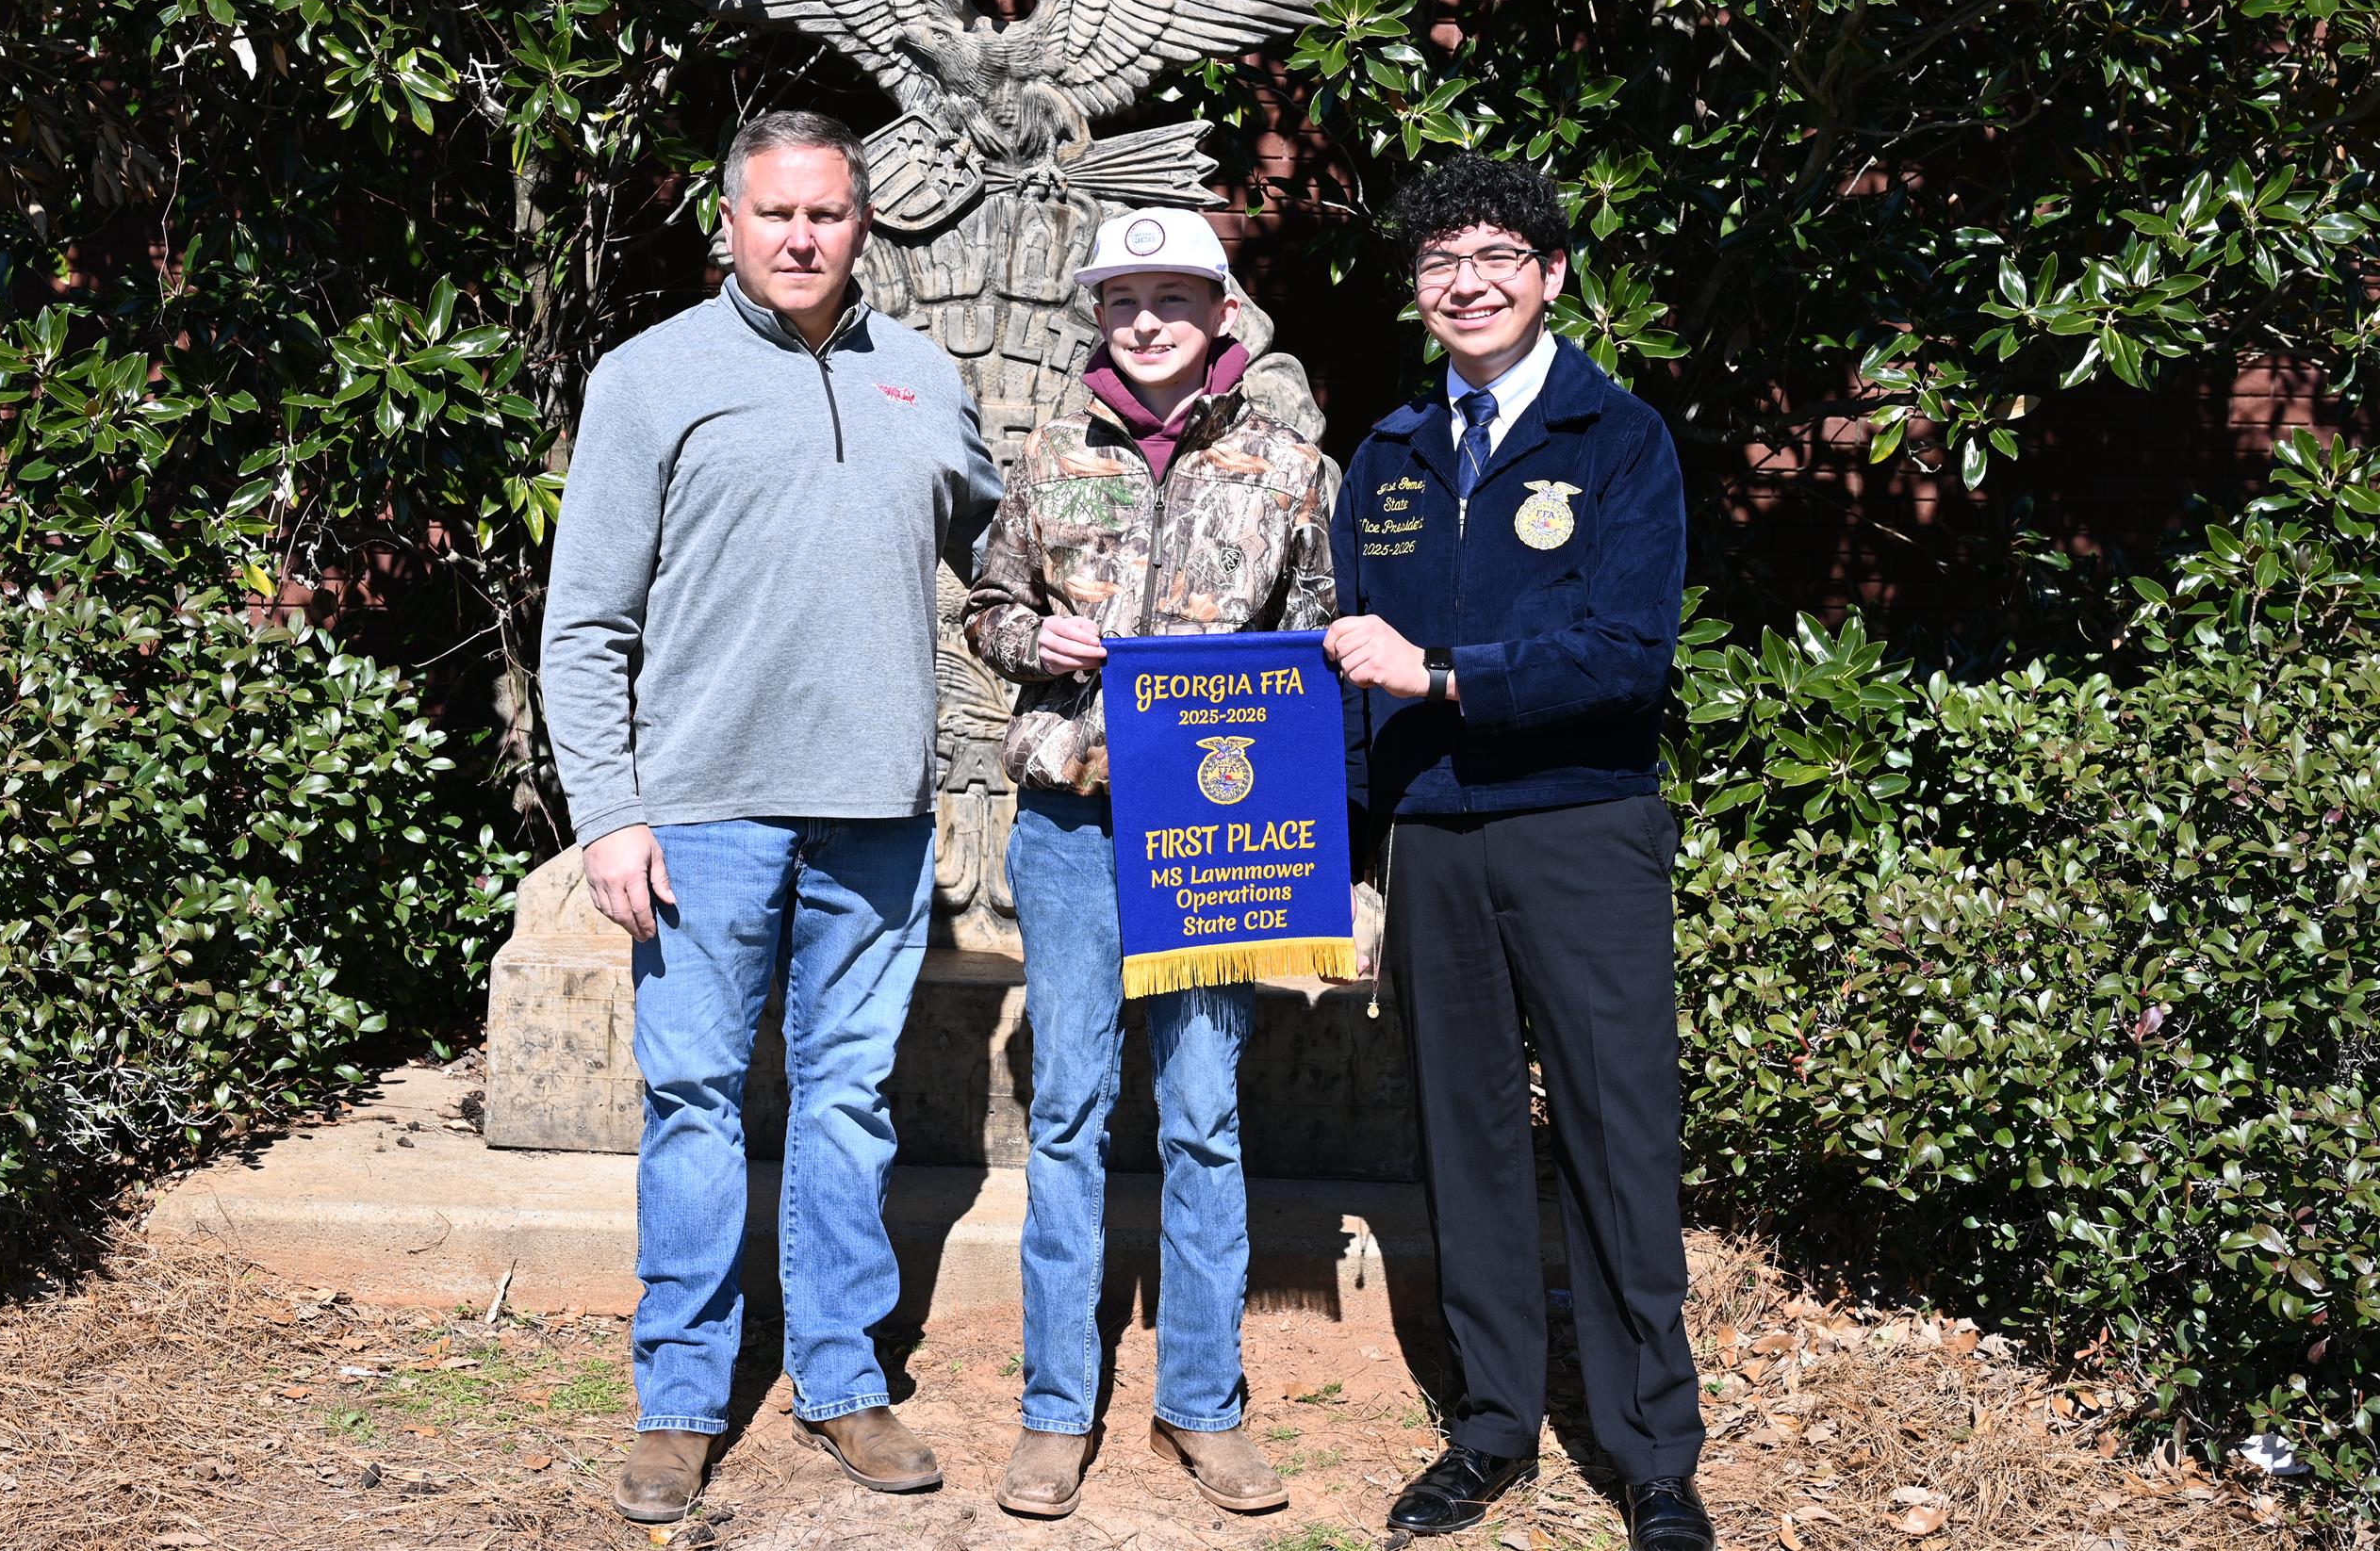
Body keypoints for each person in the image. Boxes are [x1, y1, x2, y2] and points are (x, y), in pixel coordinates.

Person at [539, 109, 1004, 1525]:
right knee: (694, 1100)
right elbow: (585, 624)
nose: (803, 238)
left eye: (829, 214)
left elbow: (1006, 558)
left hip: (876, 813)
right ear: (729, 224)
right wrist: (610, 814)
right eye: (777, 213)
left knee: (847, 1099)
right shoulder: (649, 376)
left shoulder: (923, 376)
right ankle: (679, 1401)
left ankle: (842, 1377)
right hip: (704, 816)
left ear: (864, 226)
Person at [1324, 158, 1713, 1549]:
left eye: (1496, 256)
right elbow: (1347, 679)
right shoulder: (1387, 456)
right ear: (1417, 288)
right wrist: (1351, 856)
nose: (1468, 283)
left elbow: (1627, 657)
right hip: (1433, 837)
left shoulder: (1619, 439)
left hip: (1580, 827)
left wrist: (1445, 675)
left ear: (1550, 274)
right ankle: (1491, 1427)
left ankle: (1652, 1454)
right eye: (1441, 261)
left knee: (1616, 1135)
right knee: (1467, 1137)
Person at [961, 207, 1337, 1521]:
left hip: (1218, 838)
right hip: (1073, 825)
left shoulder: (1290, 465)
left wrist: (1315, 837)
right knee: (1067, 1110)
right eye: (1124, 301)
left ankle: (1204, 1403)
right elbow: (989, 608)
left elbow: (1318, 644)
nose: (1148, 321)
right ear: (1098, 317)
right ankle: (1055, 1409)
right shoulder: (1051, 453)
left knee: (1201, 1113)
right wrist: (1036, 643)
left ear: (1223, 312)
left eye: (1174, 296)